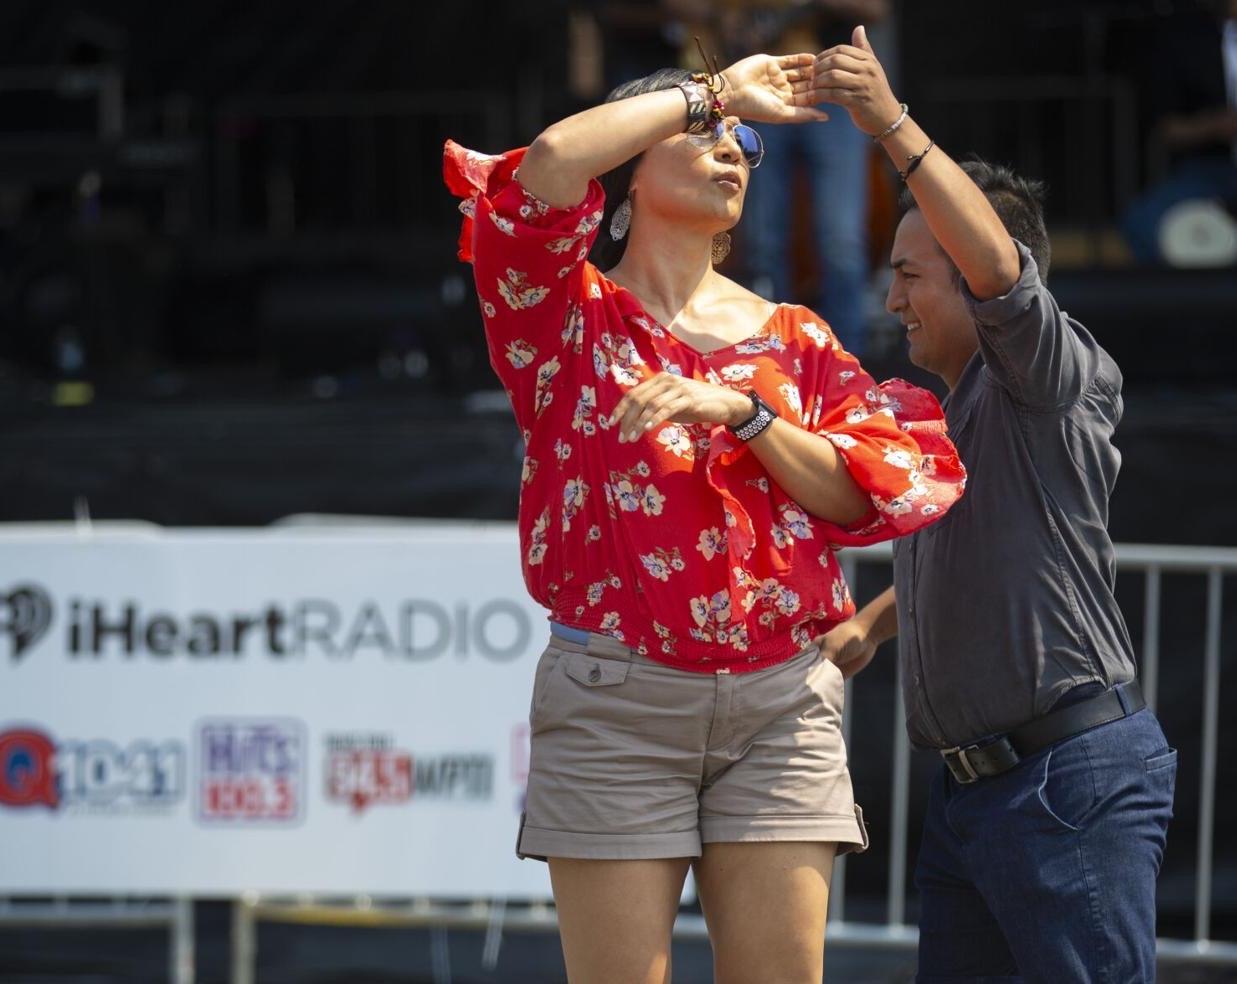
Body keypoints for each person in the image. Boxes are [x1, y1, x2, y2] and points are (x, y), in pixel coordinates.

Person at [443, 42, 965, 984]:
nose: (733, 150)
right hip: (616, 706)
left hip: (782, 702)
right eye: (703, 134)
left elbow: (861, 494)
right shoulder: (566, 314)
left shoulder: (795, 337)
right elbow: (552, 163)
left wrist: (751, 413)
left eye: (744, 145)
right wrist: (717, 89)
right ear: (629, 174)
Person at [806, 27, 1177, 983]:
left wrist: (888, 125)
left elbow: (1003, 275)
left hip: (1063, 788)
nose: (890, 300)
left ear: (976, 273)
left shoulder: (1047, 372)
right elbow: (989, 555)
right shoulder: (947, 407)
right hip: (978, 799)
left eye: (910, 274)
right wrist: (875, 627)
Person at [731, 0, 892, 358]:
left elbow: (876, 9)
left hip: (833, 88)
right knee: (763, 239)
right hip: (766, 85)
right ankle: (769, 357)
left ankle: (847, 365)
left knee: (841, 239)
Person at [1121, 0, 1237, 265]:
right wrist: (1211, 127)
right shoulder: (1179, 38)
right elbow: (1165, 130)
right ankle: (1195, 300)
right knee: (1141, 222)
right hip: (1209, 171)